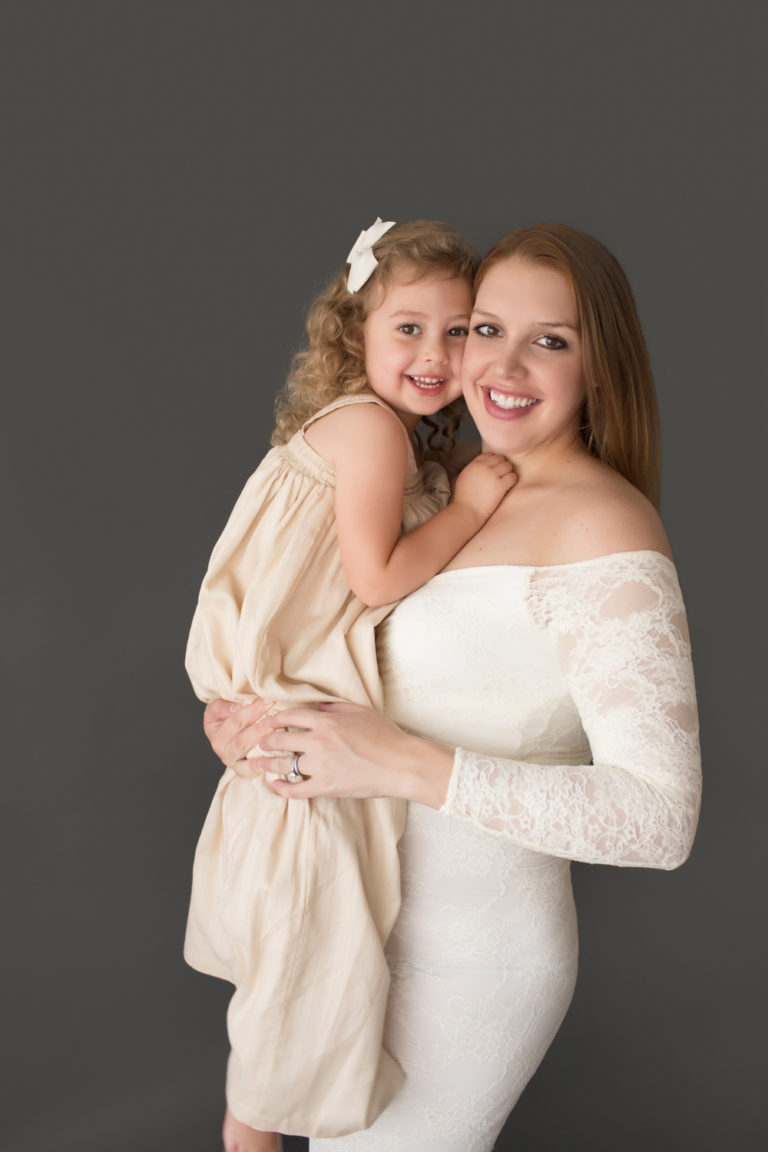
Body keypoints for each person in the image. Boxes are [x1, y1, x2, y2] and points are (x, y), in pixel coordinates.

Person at [204, 223, 702, 1152]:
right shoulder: (443, 490)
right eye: (483, 328)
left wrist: (404, 765)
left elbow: (660, 822)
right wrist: (244, 726)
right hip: (348, 930)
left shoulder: (603, 527)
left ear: (602, 364)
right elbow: (345, 663)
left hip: (470, 964)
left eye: (549, 340)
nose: (499, 363)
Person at [183, 218, 517, 1152]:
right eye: (408, 327)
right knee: (299, 1001)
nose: (434, 352)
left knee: (292, 998)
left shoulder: (371, 436)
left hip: (294, 736)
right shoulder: (370, 431)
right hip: (301, 747)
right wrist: (475, 506)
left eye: (459, 332)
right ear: (356, 333)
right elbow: (377, 579)